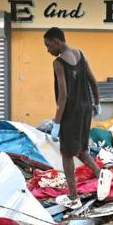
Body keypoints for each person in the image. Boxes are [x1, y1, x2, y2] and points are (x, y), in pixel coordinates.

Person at [44, 27, 102, 209]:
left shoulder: (58, 63)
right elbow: (93, 80)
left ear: (56, 42)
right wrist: (97, 103)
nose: (48, 51)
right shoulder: (80, 54)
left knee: (67, 154)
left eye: (48, 46)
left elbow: (63, 96)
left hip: (71, 113)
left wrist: (57, 122)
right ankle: (101, 175)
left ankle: (73, 196)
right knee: (82, 149)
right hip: (85, 109)